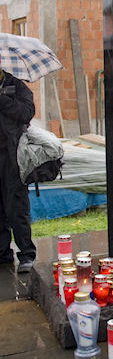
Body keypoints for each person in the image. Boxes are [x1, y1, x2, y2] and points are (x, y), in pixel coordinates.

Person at [0, 61, 36, 272]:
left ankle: (26, 254)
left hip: (13, 158)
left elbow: (27, 112)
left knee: (17, 208)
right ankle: (3, 254)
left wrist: (3, 100)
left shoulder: (16, 86)